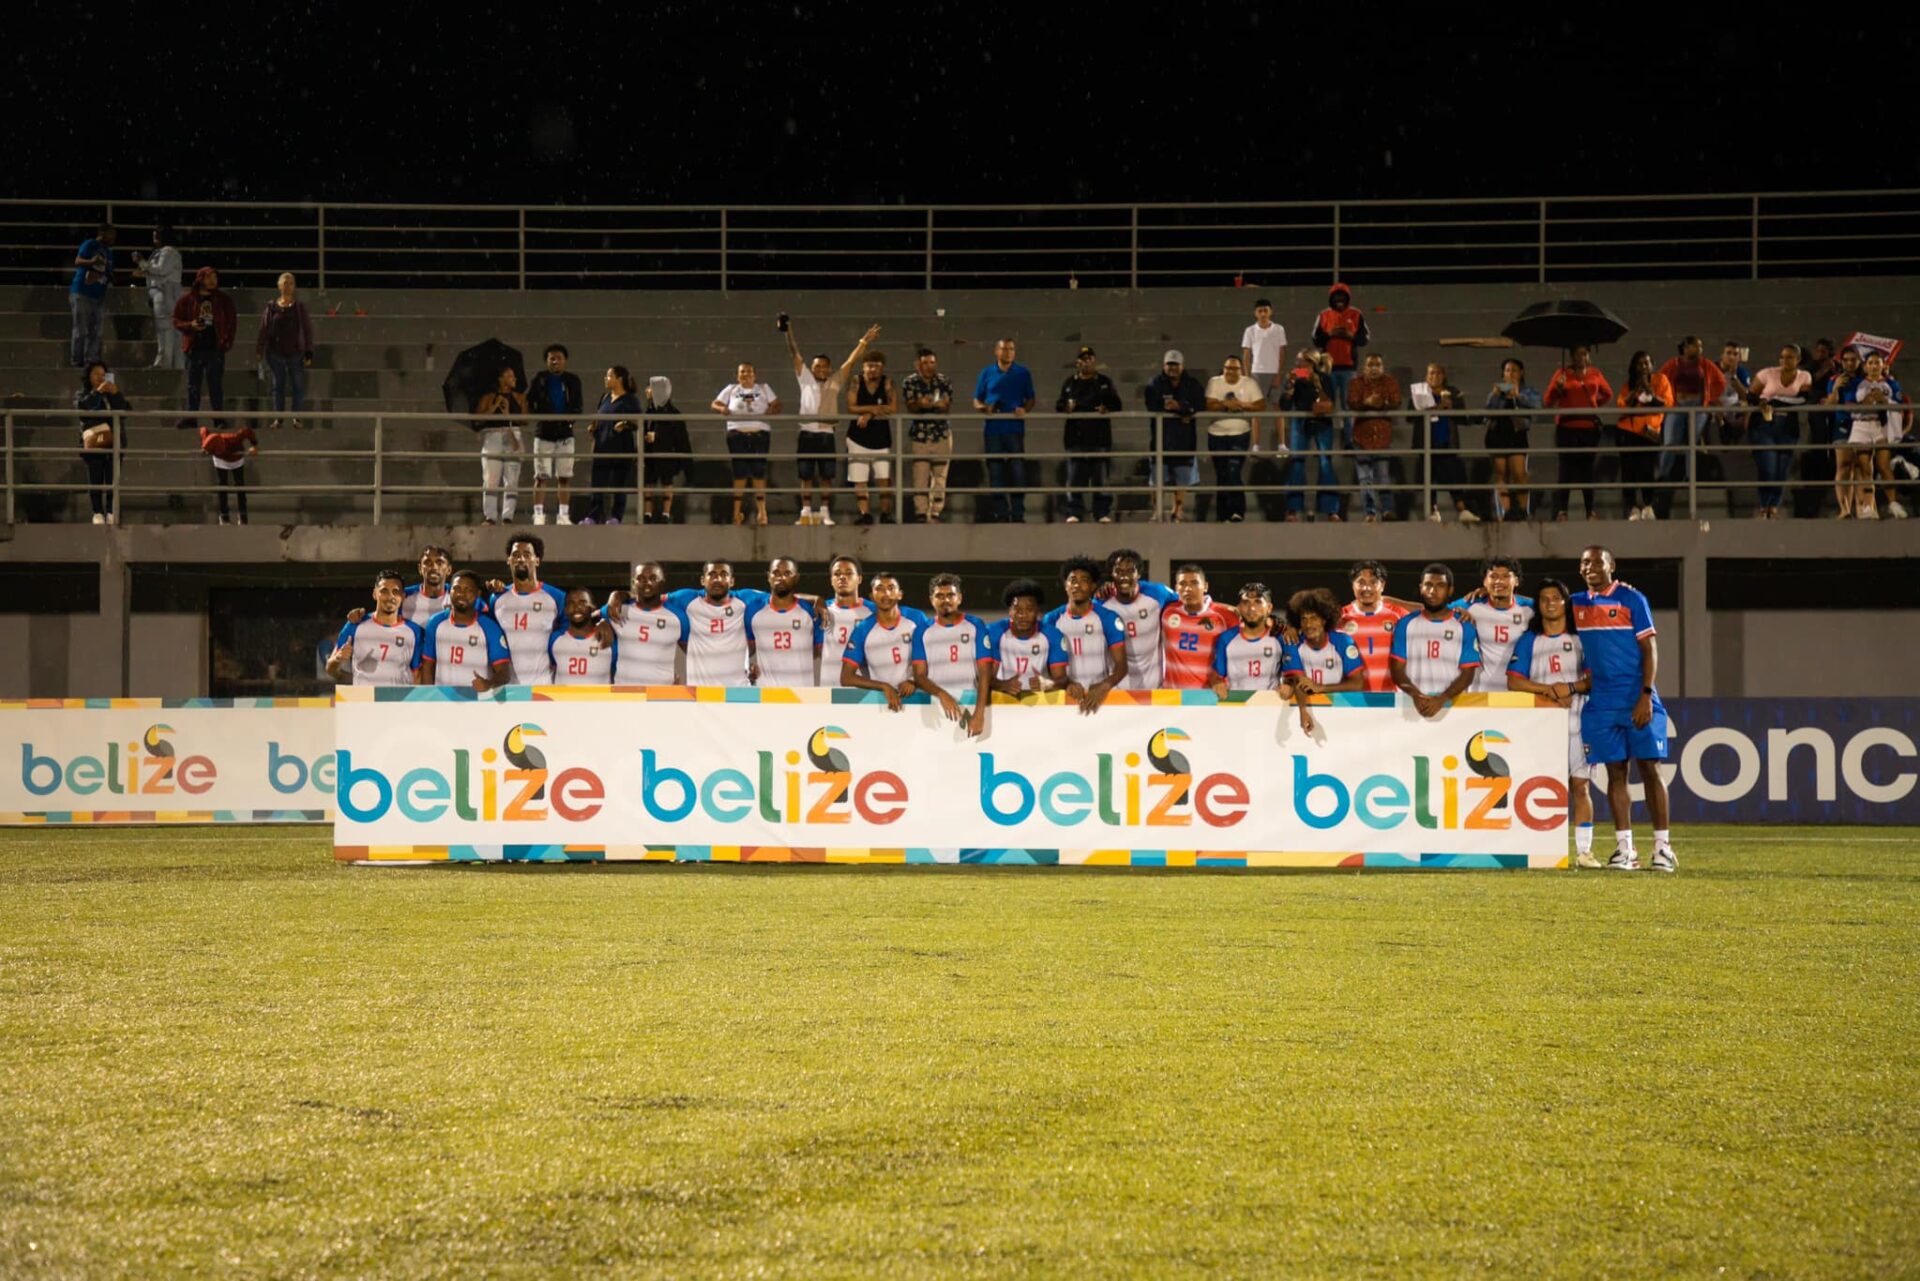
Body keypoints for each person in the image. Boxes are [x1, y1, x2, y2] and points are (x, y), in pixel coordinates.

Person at [1573, 545, 1675, 873]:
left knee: (1650, 769)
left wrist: (1646, 693)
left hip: (1636, 698)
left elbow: (1650, 648)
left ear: (1611, 565)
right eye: (1585, 562)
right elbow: (1542, 605)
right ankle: (1624, 849)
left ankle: (1662, 848)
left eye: (1597, 561)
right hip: (1602, 702)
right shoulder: (1576, 604)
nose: (1590, 567)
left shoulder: (1632, 599)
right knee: (1616, 773)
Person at [1505, 578, 1599, 868]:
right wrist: (1547, 690)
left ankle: (1584, 852)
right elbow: (1513, 681)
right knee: (1537, 786)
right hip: (1541, 725)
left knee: (1580, 786)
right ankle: (1538, 849)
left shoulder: (1581, 638)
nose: (1550, 603)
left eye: (1556, 598)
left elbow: (1593, 679)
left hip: (1578, 721)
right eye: (1544, 599)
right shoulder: (1529, 639)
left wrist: (1569, 688)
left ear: (1565, 602)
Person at [785, 319, 878, 526]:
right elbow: (794, 352)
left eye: (824, 367)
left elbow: (851, 362)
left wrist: (864, 341)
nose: (821, 370)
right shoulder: (805, 379)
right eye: (817, 366)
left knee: (827, 475)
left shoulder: (835, 380)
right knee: (806, 475)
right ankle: (806, 512)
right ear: (812, 367)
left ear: (829, 369)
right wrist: (788, 331)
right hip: (807, 433)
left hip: (826, 434)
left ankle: (825, 513)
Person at [1389, 564, 1482, 718]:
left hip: (1452, 708)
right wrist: (1415, 695)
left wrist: (1442, 699)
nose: (1433, 591)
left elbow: (1468, 674)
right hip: (1412, 707)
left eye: (1440, 586)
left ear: (1450, 590)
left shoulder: (1465, 626)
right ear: (1421, 588)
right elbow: (1397, 670)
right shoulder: (1405, 624)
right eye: (1428, 585)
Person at [1652, 336, 1727, 520]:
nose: (1700, 348)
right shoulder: (1674, 364)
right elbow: (1659, 381)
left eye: (1701, 345)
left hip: (1698, 406)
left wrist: (1709, 400)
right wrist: (1667, 398)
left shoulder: (1706, 364)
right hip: (1677, 405)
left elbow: (1720, 382)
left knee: (1691, 443)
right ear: (1686, 347)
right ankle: (1663, 474)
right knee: (1670, 442)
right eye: (1696, 345)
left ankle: (1689, 476)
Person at [911, 573, 993, 736]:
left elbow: (985, 672)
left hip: (970, 702)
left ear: (960, 598)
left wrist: (979, 713)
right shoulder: (922, 631)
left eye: (950, 595)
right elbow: (919, 675)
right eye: (939, 596)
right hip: (936, 705)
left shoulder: (975, 625)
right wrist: (942, 695)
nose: (945, 600)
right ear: (931, 599)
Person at [665, 560, 769, 687]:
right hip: (700, 692)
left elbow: (783, 600)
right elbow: (652, 600)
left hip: (738, 692)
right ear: (703, 580)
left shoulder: (744, 600)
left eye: (724, 574)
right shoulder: (687, 600)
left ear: (732, 581)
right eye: (712, 574)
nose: (717, 579)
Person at [1043, 555, 1126, 714]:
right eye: (1072, 580)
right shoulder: (1051, 620)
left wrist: (1104, 686)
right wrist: (1067, 684)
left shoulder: (1108, 618)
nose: (1077, 585)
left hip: (1099, 699)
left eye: (1084, 580)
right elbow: (1045, 664)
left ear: (1093, 586)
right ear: (1065, 585)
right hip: (1063, 700)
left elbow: (1121, 666)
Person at [1280, 588, 1366, 733]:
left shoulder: (1343, 642)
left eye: (1313, 618)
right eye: (1304, 619)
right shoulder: (1292, 643)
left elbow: (1358, 683)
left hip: (1340, 712)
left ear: (1324, 620)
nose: (1308, 625)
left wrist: (1322, 688)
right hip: (1306, 710)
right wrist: (1303, 710)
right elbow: (1299, 682)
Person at [1542, 346, 1613, 520]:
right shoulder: (1562, 374)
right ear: (1572, 356)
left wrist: (1595, 403)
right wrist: (1557, 390)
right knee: (1565, 469)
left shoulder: (1595, 373)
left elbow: (1608, 393)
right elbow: (1547, 401)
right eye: (1578, 353)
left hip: (1589, 427)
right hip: (1567, 427)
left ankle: (1590, 511)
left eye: (1584, 353)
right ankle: (1562, 511)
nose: (1582, 357)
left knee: (1587, 470)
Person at [841, 572, 929, 711]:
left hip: (920, 702)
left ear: (900, 594)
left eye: (891, 588)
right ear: (872, 596)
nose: (886, 593)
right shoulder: (863, 629)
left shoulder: (917, 619)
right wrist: (883, 686)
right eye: (879, 589)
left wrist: (914, 681)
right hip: (881, 703)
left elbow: (934, 657)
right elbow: (846, 678)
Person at [487, 533, 566, 685]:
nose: (521, 559)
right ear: (508, 560)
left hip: (543, 686)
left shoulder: (556, 597)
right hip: (508, 689)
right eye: (515, 555)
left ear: (537, 560)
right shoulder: (497, 598)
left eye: (527, 554)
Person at [1055, 346, 1122, 524]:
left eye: (1090, 359)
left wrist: (1106, 408)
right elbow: (1059, 405)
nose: (1086, 362)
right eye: (1083, 359)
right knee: (1075, 478)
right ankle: (1075, 511)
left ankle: (1101, 512)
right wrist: (1066, 408)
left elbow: (1117, 404)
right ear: (1078, 362)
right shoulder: (1070, 383)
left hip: (1099, 438)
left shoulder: (1104, 382)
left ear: (1094, 361)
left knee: (1101, 478)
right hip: (1075, 439)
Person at [972, 338, 1036, 523]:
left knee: (1017, 471)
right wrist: (986, 408)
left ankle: (1017, 513)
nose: (1008, 352)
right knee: (995, 471)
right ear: (996, 351)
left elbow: (1031, 398)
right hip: (993, 430)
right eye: (1004, 349)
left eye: (1011, 349)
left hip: (1014, 429)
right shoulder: (986, 373)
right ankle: (1001, 512)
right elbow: (976, 400)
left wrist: (1024, 409)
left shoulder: (1022, 373)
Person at [327, 571, 427, 687]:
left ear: (403, 596)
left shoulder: (414, 632)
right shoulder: (355, 624)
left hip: (397, 702)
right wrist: (338, 659)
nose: (390, 597)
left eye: (396, 591)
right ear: (375, 593)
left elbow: (417, 676)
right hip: (364, 701)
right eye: (384, 591)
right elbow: (330, 669)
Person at [417, 570, 512, 691]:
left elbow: (504, 672)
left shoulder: (489, 627)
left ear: (478, 594)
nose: (461, 594)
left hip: (477, 703)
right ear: (450, 591)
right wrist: (428, 699)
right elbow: (427, 667)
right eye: (457, 588)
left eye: (468, 590)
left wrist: (489, 683)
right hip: (443, 701)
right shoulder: (435, 623)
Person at [1409, 362, 1479, 523]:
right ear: (1426, 376)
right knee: (1429, 477)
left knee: (1453, 476)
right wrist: (1439, 407)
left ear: (1444, 376)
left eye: (1438, 373)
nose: (1435, 377)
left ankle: (1462, 510)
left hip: (1446, 441)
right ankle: (1434, 511)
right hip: (1426, 442)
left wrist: (1451, 405)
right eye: (1431, 373)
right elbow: (1410, 415)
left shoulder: (1453, 392)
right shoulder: (1419, 391)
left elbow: (1463, 417)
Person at [1099, 548, 1179, 690]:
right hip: (1118, 692)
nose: (1124, 577)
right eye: (1119, 571)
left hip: (1154, 690)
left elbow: (1191, 603)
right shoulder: (1101, 602)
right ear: (1111, 574)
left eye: (1130, 571)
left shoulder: (1157, 593)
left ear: (1139, 574)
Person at [1748, 344, 1813, 520]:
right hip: (1765, 425)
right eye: (1782, 357)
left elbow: (1803, 399)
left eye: (1790, 357)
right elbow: (1751, 396)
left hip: (1788, 426)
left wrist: (1776, 400)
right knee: (1767, 468)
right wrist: (1762, 403)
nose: (1784, 360)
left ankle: (1773, 507)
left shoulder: (1804, 376)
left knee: (1781, 469)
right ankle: (1764, 506)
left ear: (1798, 360)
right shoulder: (1767, 373)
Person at [712, 363, 780, 526]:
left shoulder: (763, 388)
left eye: (749, 372)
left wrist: (772, 410)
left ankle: (762, 512)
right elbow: (715, 403)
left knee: (758, 472)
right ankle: (736, 513)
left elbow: (777, 404)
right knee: (739, 472)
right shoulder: (731, 389)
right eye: (742, 372)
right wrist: (722, 409)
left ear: (754, 375)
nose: (745, 375)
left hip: (759, 433)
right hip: (737, 433)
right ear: (737, 375)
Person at [1453, 556, 1533, 692]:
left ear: (1516, 581)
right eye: (1493, 577)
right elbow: (1434, 611)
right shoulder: (1471, 605)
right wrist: (1402, 604)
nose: (1499, 581)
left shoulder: (1530, 610)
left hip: (1519, 696)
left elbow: (1550, 602)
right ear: (1485, 581)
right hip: (1482, 695)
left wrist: (1496, 590)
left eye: (1505, 577)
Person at [525, 343, 583, 526]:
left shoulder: (573, 380)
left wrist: (569, 420)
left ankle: (563, 515)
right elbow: (530, 401)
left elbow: (577, 405)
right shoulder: (540, 379)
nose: (555, 361)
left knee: (564, 476)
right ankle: (538, 514)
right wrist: (539, 418)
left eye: (559, 358)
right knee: (540, 476)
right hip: (544, 433)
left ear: (565, 361)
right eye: (552, 358)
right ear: (547, 361)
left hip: (565, 433)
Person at [603, 561, 688, 686]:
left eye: (653, 578)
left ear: (662, 583)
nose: (647, 583)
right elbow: (588, 618)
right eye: (641, 579)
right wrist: (601, 621)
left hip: (661, 694)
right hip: (624, 693)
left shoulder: (677, 617)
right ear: (633, 583)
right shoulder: (619, 609)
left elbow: (693, 654)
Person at [172, 266, 236, 429]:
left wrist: (226, 343)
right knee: (193, 385)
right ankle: (191, 417)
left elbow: (231, 322)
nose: (213, 280)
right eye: (209, 277)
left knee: (216, 386)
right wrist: (190, 325)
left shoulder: (223, 300)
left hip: (215, 349)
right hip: (194, 349)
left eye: (215, 277)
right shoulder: (188, 299)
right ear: (200, 279)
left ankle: (218, 418)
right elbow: (176, 320)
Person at [1281, 349, 1341, 522]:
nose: (1299, 366)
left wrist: (1317, 384)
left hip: (1322, 423)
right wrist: (1290, 386)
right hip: (1300, 423)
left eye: (1303, 363)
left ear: (1312, 364)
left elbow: (1330, 403)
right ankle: (1293, 508)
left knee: (1325, 462)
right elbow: (1285, 405)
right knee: (1297, 462)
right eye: (1298, 362)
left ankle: (1331, 509)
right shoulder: (1294, 380)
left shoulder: (1325, 378)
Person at [1143, 350, 1203, 522]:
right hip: (1161, 439)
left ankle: (1177, 510)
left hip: (1185, 440)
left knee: (1182, 478)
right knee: (1156, 479)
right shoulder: (1155, 383)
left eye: (1175, 364)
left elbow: (1198, 404)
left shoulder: (1192, 384)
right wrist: (1183, 411)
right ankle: (1157, 511)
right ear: (1164, 365)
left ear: (1182, 366)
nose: (1172, 368)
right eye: (1169, 364)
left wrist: (1180, 407)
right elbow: (1153, 405)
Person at [1159, 563, 1239, 690]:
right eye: (1183, 584)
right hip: (1172, 698)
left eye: (1194, 583)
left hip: (1207, 697)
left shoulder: (1224, 617)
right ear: (1176, 588)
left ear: (1205, 586)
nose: (1188, 589)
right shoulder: (1167, 611)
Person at [1614, 351, 1673, 520]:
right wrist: (1636, 391)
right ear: (1634, 367)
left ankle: (1648, 506)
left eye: (1647, 363)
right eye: (1640, 364)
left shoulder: (1661, 380)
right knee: (1629, 471)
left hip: (1649, 432)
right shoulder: (1629, 384)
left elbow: (1668, 403)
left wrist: (1650, 392)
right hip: (1628, 432)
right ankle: (1632, 507)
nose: (1644, 367)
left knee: (1648, 470)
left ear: (1652, 365)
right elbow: (1621, 405)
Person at [1204, 355, 1264, 522]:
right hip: (1216, 435)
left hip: (1239, 434)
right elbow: (1209, 404)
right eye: (1228, 368)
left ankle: (1237, 511)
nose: (1231, 372)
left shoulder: (1249, 383)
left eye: (1235, 368)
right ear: (1224, 369)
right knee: (1222, 474)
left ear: (1240, 370)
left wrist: (1242, 405)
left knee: (1233, 471)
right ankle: (1222, 514)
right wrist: (1225, 405)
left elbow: (1260, 405)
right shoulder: (1215, 382)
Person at [1846, 351, 1905, 520]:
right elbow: (1849, 404)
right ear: (1865, 367)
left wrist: (1884, 402)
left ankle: (1893, 504)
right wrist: (1866, 400)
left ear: (1883, 365)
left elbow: (1900, 405)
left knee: (1884, 466)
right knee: (1865, 469)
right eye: (1870, 363)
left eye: (1877, 363)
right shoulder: (1856, 383)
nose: (1873, 366)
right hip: (1861, 427)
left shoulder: (1891, 384)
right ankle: (1867, 506)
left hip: (1881, 427)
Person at [747, 557, 821, 688]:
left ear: (796, 577)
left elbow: (819, 650)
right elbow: (748, 649)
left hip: (802, 695)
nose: (780, 578)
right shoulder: (753, 610)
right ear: (768, 576)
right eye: (776, 573)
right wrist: (748, 666)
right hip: (766, 695)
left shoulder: (810, 611)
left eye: (787, 573)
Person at [987, 578, 1068, 696]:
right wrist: (1003, 685)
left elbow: (1063, 680)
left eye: (1029, 609)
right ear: (1009, 611)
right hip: (1003, 704)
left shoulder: (1053, 635)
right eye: (1017, 609)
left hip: (1040, 703)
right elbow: (985, 678)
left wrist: (1047, 683)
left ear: (1038, 611)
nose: (1023, 615)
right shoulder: (994, 632)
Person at [902, 348, 955, 524]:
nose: (929, 366)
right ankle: (920, 513)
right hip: (920, 436)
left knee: (940, 478)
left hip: (941, 434)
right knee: (920, 476)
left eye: (932, 362)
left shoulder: (944, 380)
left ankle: (935, 513)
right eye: (925, 363)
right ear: (918, 364)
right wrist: (921, 404)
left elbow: (946, 405)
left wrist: (933, 405)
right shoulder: (910, 382)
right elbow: (911, 407)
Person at [254, 273, 314, 429]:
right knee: (277, 386)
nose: (288, 286)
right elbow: (264, 328)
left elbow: (307, 330)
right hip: (275, 352)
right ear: (279, 286)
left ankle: (297, 417)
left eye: (291, 283)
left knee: (298, 385)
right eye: (285, 283)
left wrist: (308, 351)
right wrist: (260, 347)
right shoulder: (271, 306)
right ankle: (279, 418)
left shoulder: (299, 307)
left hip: (295, 352)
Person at [1346, 352, 1401, 522]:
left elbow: (1397, 401)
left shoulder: (1390, 382)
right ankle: (1370, 512)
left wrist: (1382, 403)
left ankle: (1387, 510)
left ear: (1382, 367)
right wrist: (1367, 403)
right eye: (1370, 365)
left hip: (1382, 437)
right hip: (1362, 437)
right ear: (1365, 367)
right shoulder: (1356, 382)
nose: (1374, 368)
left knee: (1383, 476)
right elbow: (1352, 402)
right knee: (1365, 478)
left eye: (1377, 365)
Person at [845, 349, 898, 525]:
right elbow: (851, 407)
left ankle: (885, 514)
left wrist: (869, 415)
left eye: (876, 366)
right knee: (860, 480)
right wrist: (875, 409)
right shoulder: (856, 381)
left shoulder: (887, 382)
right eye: (869, 366)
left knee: (884, 479)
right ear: (863, 367)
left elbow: (893, 407)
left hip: (881, 439)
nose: (872, 370)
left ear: (882, 368)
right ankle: (865, 514)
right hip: (857, 438)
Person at [1339, 560, 1409, 693]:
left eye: (1373, 582)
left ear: (1382, 585)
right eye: (1361, 582)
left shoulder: (1398, 615)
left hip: (1390, 698)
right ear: (1353, 586)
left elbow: (1429, 617)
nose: (1367, 588)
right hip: (1351, 701)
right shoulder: (1340, 617)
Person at [1484, 357, 1541, 520]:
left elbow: (1537, 406)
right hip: (1497, 433)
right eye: (1507, 370)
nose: (1510, 373)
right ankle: (1505, 513)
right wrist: (1496, 396)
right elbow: (1487, 412)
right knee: (1501, 474)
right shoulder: (1495, 391)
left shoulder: (1528, 391)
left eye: (1514, 370)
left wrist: (1518, 396)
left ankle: (1522, 510)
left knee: (1519, 474)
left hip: (1516, 433)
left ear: (1521, 373)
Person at [582, 366, 639, 525]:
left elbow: (638, 422)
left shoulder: (630, 399)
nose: (605, 379)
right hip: (602, 446)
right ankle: (593, 516)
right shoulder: (605, 397)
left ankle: (616, 517)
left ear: (619, 378)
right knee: (598, 482)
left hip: (621, 447)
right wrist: (593, 428)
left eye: (608, 376)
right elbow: (598, 417)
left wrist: (625, 424)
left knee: (619, 483)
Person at [473, 366, 528, 526]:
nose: (514, 378)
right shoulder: (489, 397)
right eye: (510, 375)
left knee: (512, 479)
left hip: (513, 435)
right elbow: (477, 419)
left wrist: (508, 414)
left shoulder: (519, 397)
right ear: (500, 378)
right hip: (493, 436)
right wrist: (493, 408)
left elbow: (525, 419)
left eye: (514, 375)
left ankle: (507, 517)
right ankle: (490, 517)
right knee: (491, 478)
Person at [74, 362, 128, 525]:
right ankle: (97, 512)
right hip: (94, 441)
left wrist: (115, 394)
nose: (100, 377)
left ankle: (111, 511)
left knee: (113, 479)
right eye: (96, 374)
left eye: (103, 374)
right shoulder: (83, 394)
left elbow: (125, 411)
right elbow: (83, 410)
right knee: (95, 478)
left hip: (114, 442)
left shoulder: (112, 394)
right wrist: (97, 393)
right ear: (88, 377)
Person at [1312, 282, 1370, 430]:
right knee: (1327, 406)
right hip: (1328, 369)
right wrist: (1329, 335)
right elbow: (1315, 339)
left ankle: (1349, 443)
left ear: (1347, 298)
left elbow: (1365, 339)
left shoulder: (1356, 314)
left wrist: (1350, 336)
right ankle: (1328, 441)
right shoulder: (1323, 315)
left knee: (1348, 406)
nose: (1339, 299)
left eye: (1342, 296)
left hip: (1348, 368)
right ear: (1331, 298)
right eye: (1336, 296)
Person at [1208, 583, 1285, 694]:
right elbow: (1217, 674)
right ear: (1239, 607)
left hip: (1271, 706)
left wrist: (1288, 684)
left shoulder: (1280, 637)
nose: (1251, 608)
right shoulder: (1226, 639)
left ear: (1269, 608)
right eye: (1246, 602)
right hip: (1237, 705)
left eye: (1258, 602)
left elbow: (1291, 673)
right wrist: (1216, 682)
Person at [1793, 339, 1840, 519]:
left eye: (1824, 351)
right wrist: (1825, 370)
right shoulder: (1808, 367)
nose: (1820, 354)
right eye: (1818, 350)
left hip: (1831, 411)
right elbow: (1809, 384)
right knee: (1813, 445)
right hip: (1813, 411)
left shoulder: (1837, 366)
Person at [1819, 346, 1866, 519]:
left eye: (1853, 359)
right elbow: (1830, 405)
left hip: (1863, 425)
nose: (1849, 363)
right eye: (1845, 360)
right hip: (1842, 426)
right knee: (1844, 466)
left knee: (1860, 468)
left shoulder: (1866, 379)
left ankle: (1862, 508)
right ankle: (1844, 509)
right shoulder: (1834, 379)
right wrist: (1836, 388)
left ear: (1859, 361)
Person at [131, 225, 183, 370]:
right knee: (167, 328)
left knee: (165, 328)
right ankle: (172, 363)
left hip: (166, 292)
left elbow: (161, 271)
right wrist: (145, 272)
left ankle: (164, 363)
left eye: (156, 236)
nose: (154, 240)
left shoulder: (168, 251)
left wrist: (141, 262)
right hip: (162, 292)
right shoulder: (165, 252)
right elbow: (159, 273)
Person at [816, 555, 874, 683]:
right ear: (831, 580)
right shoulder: (822, 611)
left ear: (859, 579)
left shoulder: (873, 612)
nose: (842, 577)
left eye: (849, 573)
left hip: (864, 693)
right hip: (829, 692)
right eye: (837, 574)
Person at [639, 376, 689, 525]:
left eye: (650, 387)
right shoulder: (648, 411)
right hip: (649, 453)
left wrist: (659, 437)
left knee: (667, 482)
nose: (647, 390)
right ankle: (647, 513)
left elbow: (677, 435)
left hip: (667, 454)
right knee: (648, 482)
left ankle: (665, 514)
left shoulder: (672, 413)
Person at [1240, 297, 1289, 446]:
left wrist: (1278, 374)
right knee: (1256, 411)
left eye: (1265, 310)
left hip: (1274, 373)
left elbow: (1282, 353)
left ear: (1270, 312)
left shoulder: (1279, 329)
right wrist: (1248, 377)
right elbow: (1247, 355)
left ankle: (1281, 444)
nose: (1263, 314)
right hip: (1257, 373)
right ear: (1255, 313)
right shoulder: (1250, 330)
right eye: (1260, 311)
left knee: (1278, 408)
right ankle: (1255, 445)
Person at [68, 223, 115, 369]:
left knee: (96, 331)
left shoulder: (109, 252)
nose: (113, 238)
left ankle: (91, 361)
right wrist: (92, 262)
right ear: (102, 232)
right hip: (82, 292)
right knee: (81, 329)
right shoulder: (90, 244)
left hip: (98, 295)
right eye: (111, 234)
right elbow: (78, 261)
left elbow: (109, 274)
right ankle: (77, 361)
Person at [548, 588, 616, 686]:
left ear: (592, 608)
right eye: (571, 603)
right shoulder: (554, 640)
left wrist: (603, 620)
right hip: (564, 701)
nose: (576, 607)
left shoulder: (607, 638)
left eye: (583, 602)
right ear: (566, 610)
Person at [198, 418, 258, 525]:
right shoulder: (210, 440)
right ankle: (224, 515)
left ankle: (243, 515)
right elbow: (203, 430)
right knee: (222, 486)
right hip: (220, 460)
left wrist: (254, 446)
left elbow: (246, 431)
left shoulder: (234, 438)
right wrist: (205, 449)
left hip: (236, 458)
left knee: (240, 485)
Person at [401, 546, 455, 627]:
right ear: (420, 569)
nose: (434, 567)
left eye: (439, 563)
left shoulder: (458, 597)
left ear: (449, 570)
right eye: (428, 562)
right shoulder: (403, 596)